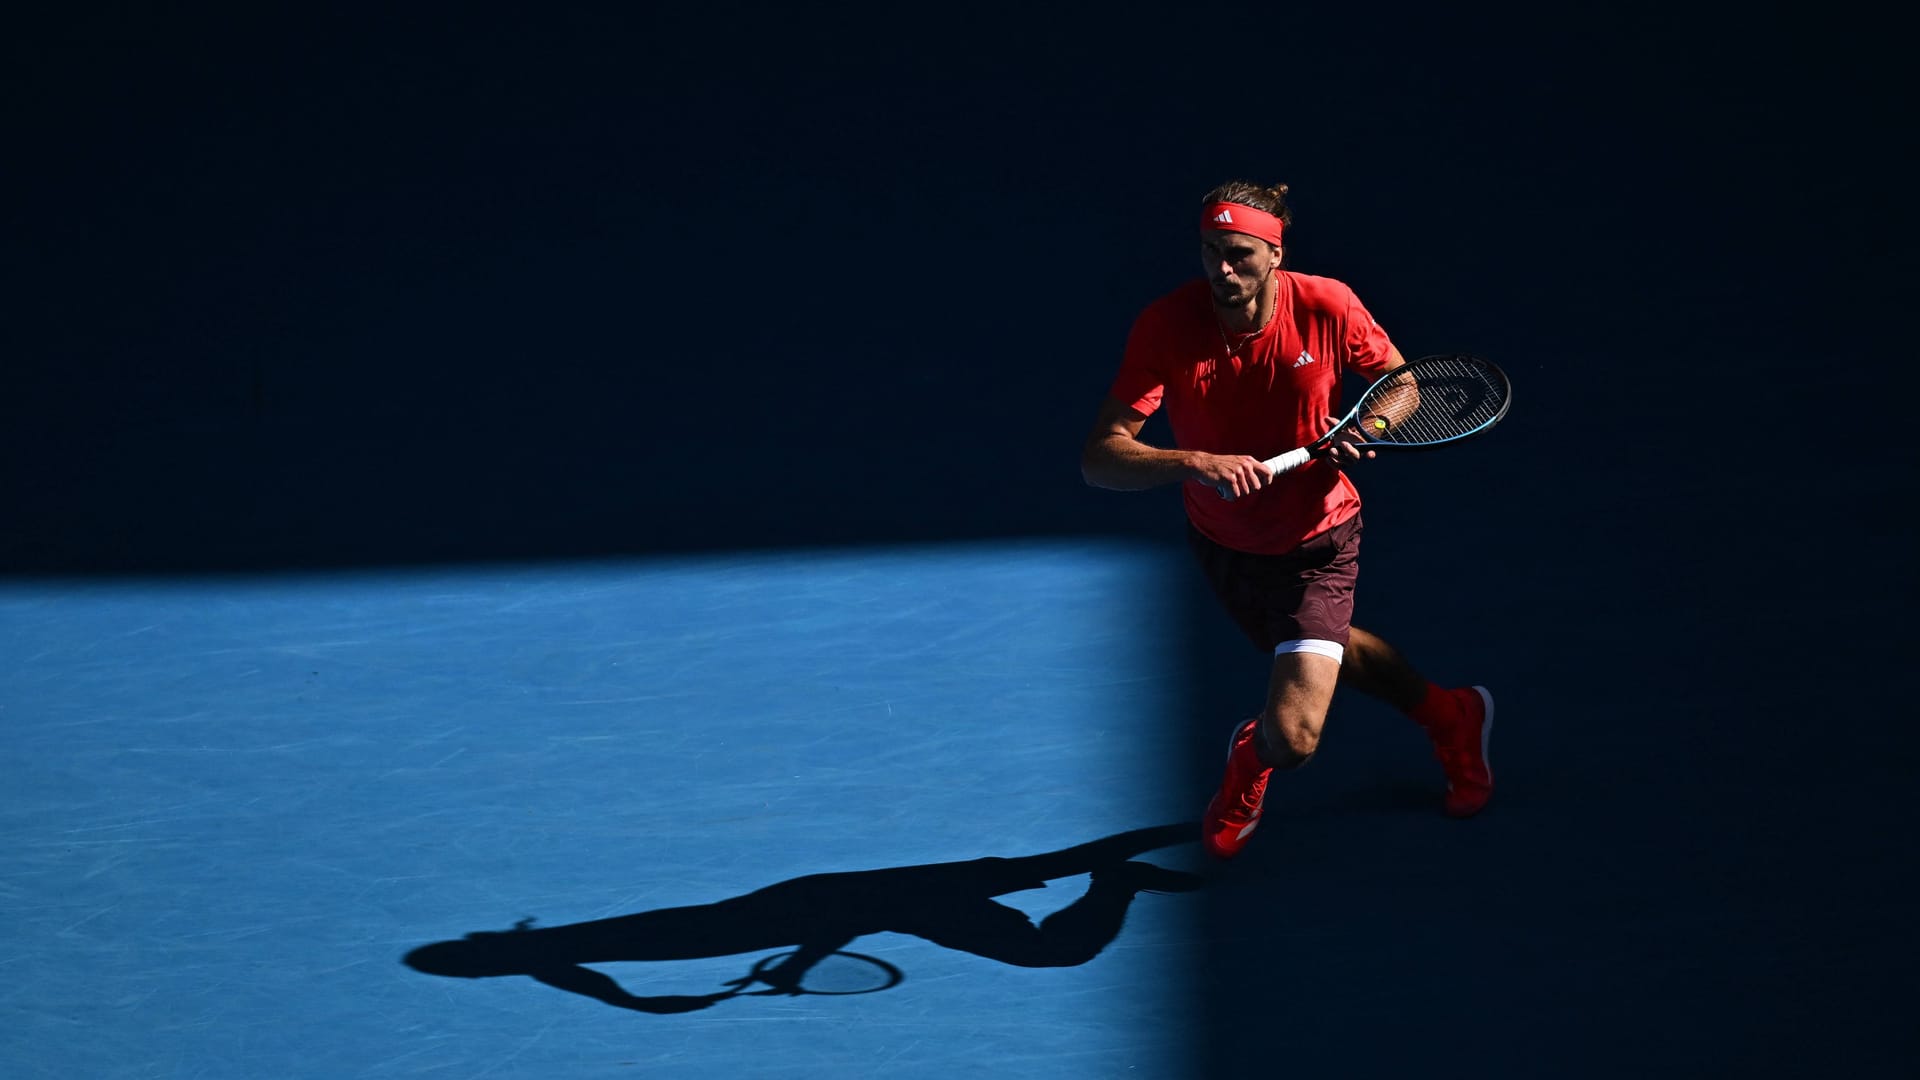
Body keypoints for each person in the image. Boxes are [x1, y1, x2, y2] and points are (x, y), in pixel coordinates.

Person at [1080, 180, 1494, 859]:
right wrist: (1196, 462)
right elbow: (1102, 459)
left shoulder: (1327, 303)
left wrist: (1376, 421)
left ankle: (1251, 759)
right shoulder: (1167, 324)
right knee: (1319, 647)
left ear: (1275, 254)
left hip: (1319, 536)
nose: (1221, 270)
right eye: (1210, 251)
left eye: (1239, 253)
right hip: (1225, 542)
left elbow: (1403, 380)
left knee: (1293, 737)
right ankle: (1454, 715)